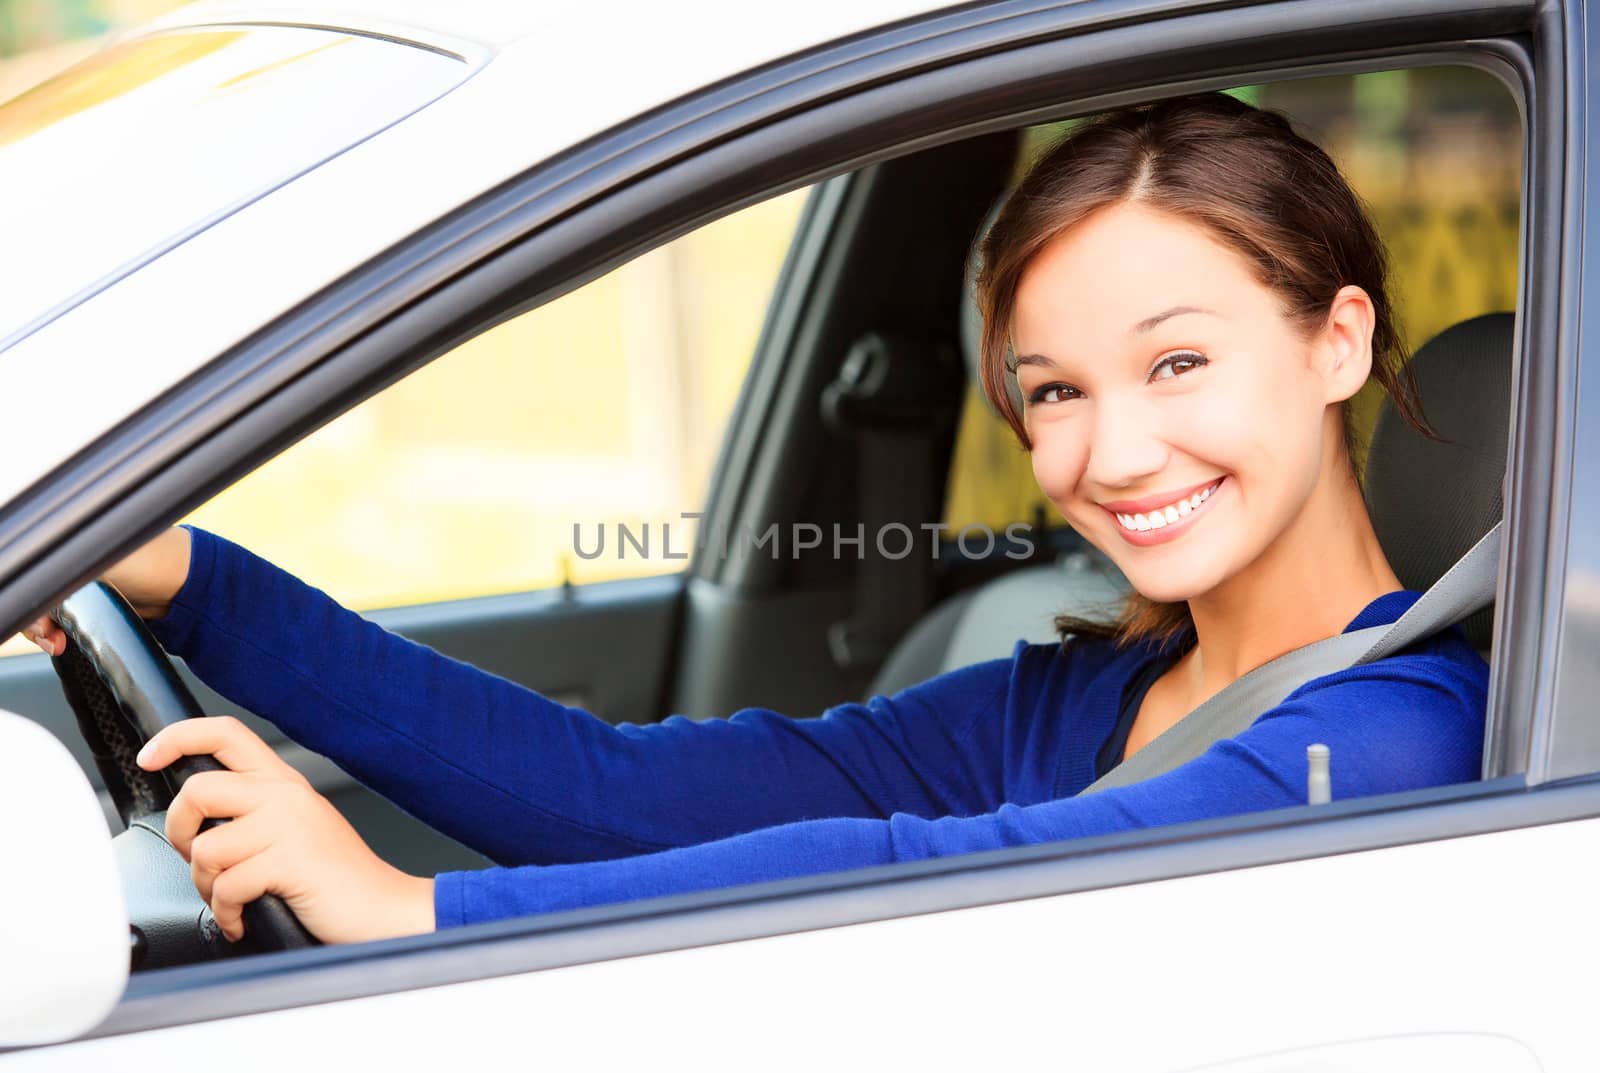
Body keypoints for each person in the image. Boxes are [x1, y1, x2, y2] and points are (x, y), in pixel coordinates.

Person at [27, 91, 1488, 946]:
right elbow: (620, 790)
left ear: (1336, 342)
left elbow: (957, 882)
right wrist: (184, 576)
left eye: (1179, 362)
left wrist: (416, 915)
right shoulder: (1082, 692)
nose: (1110, 450)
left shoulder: (1398, 738)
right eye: (1052, 391)